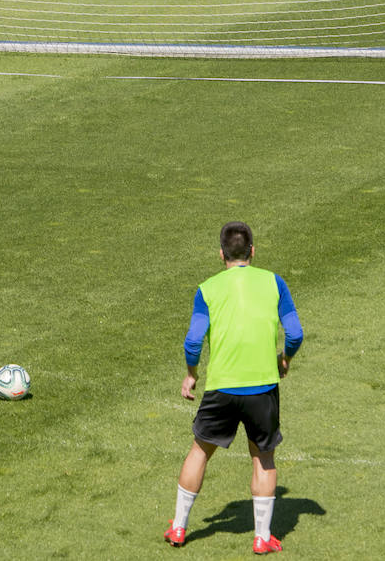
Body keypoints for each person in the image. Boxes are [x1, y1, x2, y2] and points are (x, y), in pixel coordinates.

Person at [164, 221, 304, 554]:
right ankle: (261, 537)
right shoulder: (274, 282)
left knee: (200, 451)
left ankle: (180, 528)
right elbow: (295, 333)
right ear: (252, 251)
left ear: (221, 254)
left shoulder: (207, 288)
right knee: (263, 457)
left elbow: (193, 340)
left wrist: (191, 374)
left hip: (222, 388)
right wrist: (285, 358)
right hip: (262, 387)